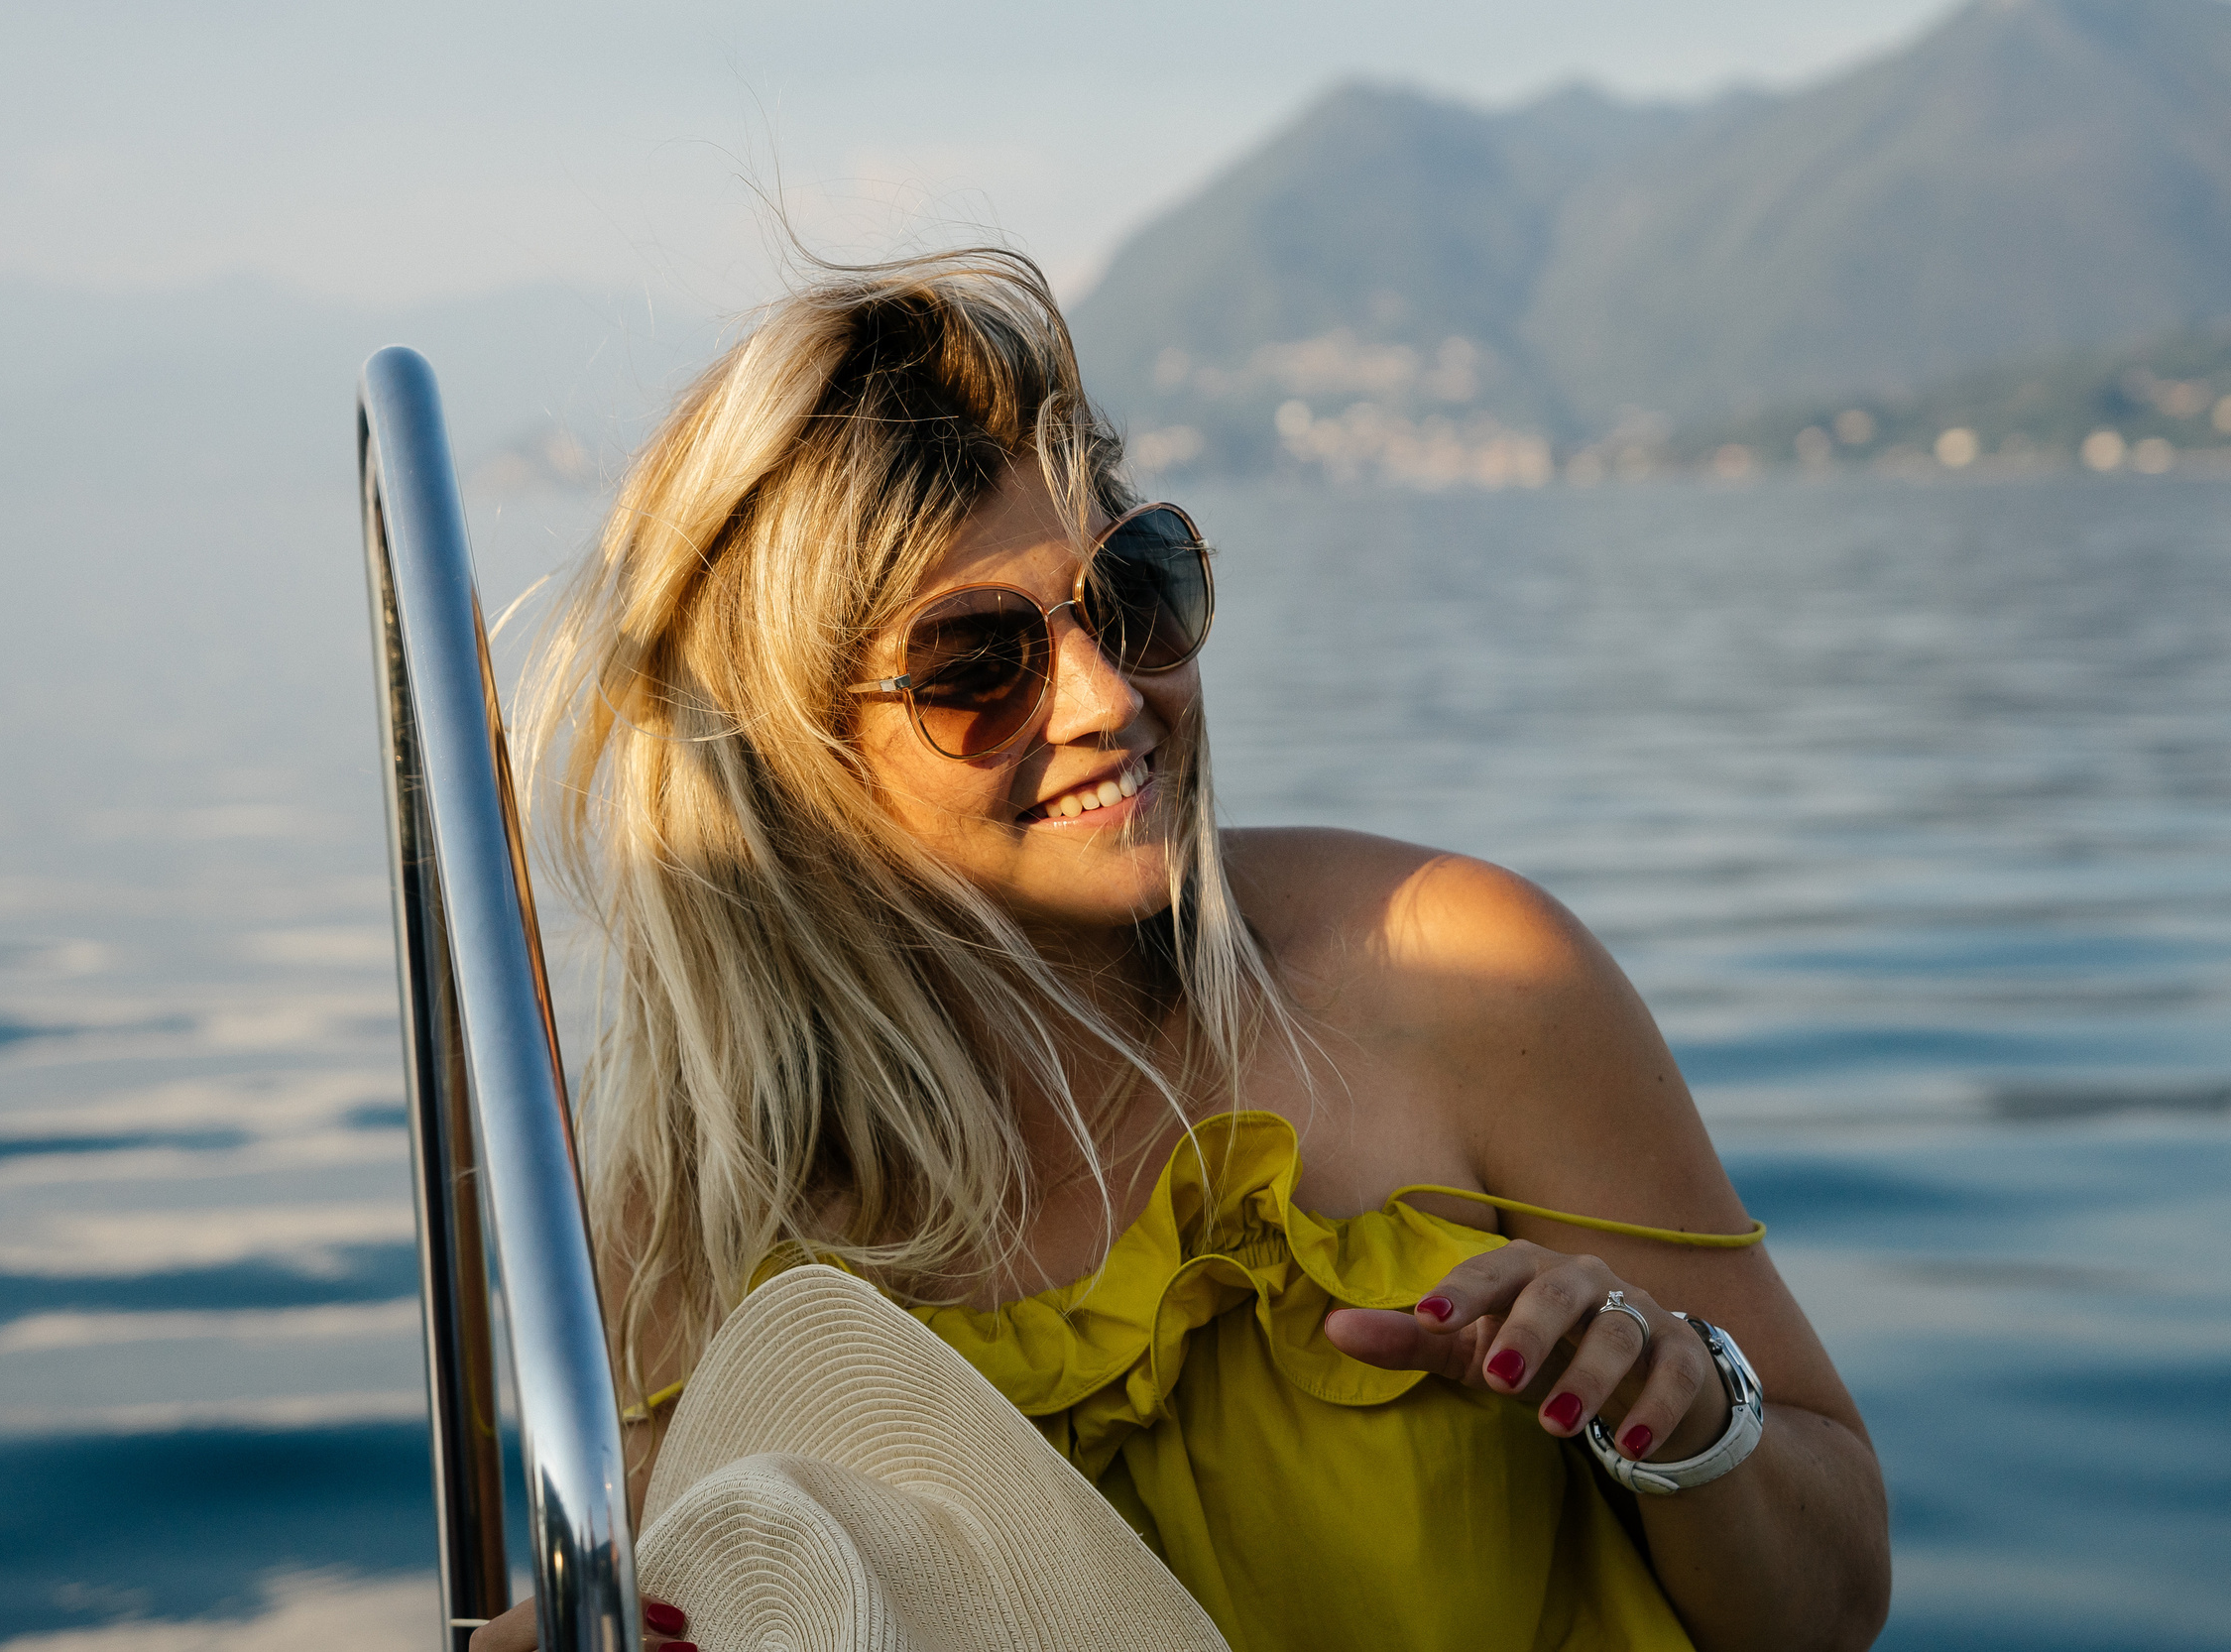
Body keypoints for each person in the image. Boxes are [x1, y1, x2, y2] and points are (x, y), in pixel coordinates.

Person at [475, 249, 1888, 1652]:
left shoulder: (1465, 977)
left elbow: (1832, 1600)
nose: (1108, 697)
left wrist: (1686, 1414)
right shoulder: (707, 1219)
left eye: (1131, 593)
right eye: (979, 661)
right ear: (786, 765)